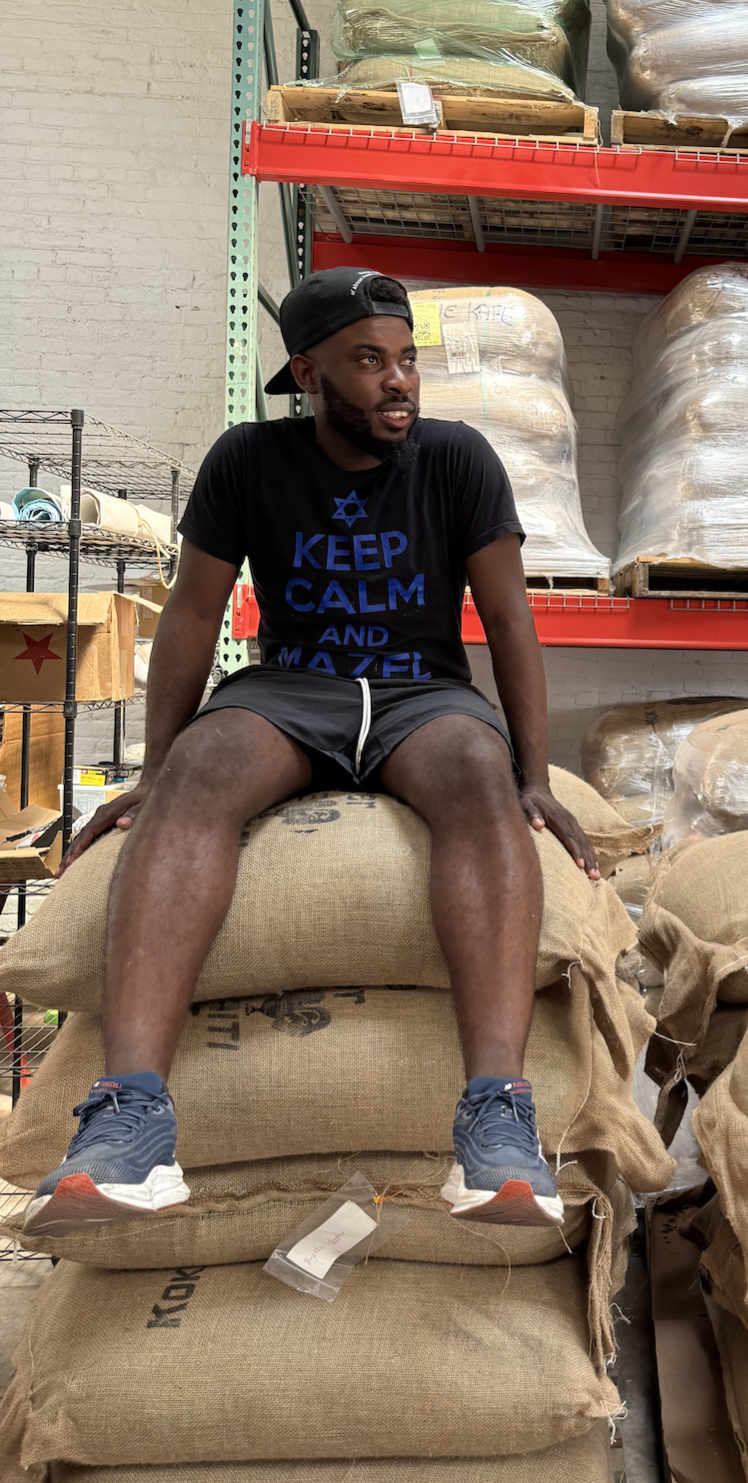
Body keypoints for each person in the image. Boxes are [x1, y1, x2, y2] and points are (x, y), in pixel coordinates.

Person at [26, 267, 599, 1236]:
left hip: (425, 693)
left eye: (407, 358)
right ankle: (131, 1120)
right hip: (293, 687)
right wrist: (157, 768)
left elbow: (509, 618)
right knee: (203, 773)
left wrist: (534, 774)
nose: (398, 380)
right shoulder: (248, 459)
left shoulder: (459, 460)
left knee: (478, 774)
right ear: (309, 371)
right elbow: (194, 616)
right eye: (369, 360)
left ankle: (498, 1118)